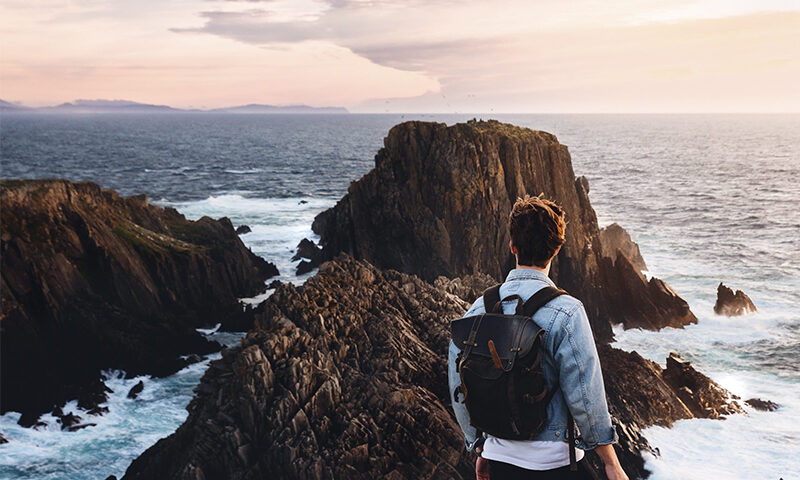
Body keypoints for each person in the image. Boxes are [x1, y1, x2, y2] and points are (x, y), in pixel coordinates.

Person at [448, 194, 628, 480]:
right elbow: (584, 393)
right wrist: (611, 463)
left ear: (512, 246)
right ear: (556, 249)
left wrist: (480, 447)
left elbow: (460, 383)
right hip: (555, 463)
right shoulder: (567, 312)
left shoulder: (478, 309)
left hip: (499, 462)